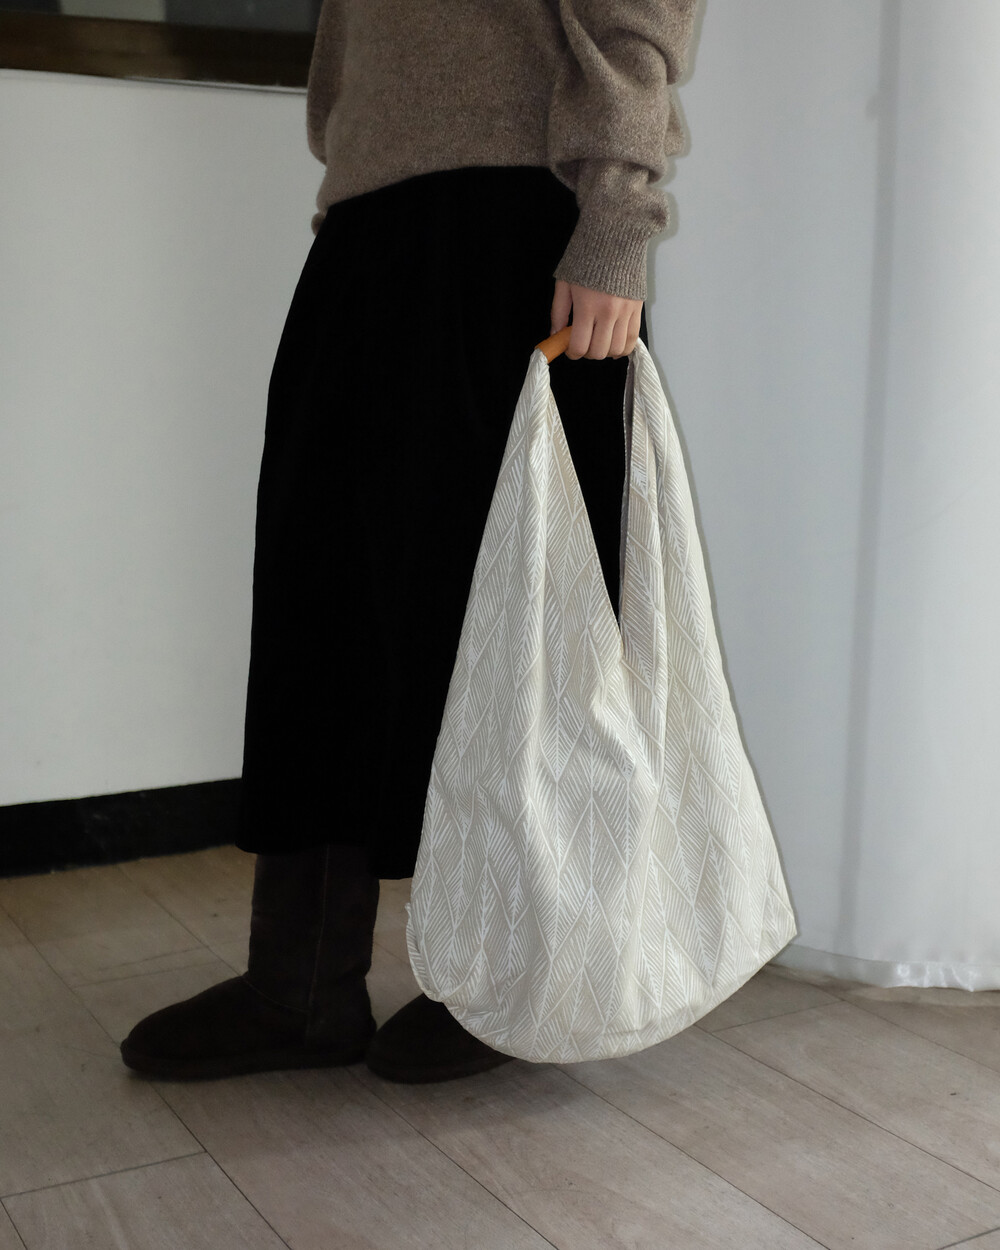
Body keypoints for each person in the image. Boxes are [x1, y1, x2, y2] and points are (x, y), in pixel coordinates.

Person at [120, 0, 698, 1083]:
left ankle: (512, 979)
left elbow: (635, 15)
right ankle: (299, 982)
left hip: (521, 225)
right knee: (321, 601)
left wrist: (615, 221)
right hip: (374, 222)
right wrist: (358, 174)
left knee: (507, 621)